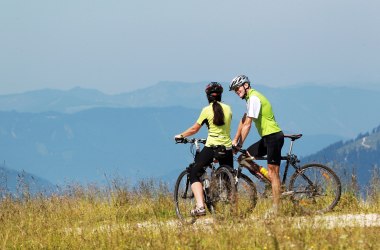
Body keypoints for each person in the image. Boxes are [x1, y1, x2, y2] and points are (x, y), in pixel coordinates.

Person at [174, 82, 233, 216]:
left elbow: (195, 129)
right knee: (227, 177)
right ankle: (230, 207)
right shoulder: (228, 109)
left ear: (208, 96)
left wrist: (181, 135)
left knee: (194, 172)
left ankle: (200, 207)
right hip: (227, 148)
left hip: (212, 147)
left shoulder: (207, 110)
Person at [229, 75, 284, 215]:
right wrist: (235, 140)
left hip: (273, 137)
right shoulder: (249, 99)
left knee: (273, 172)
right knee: (243, 159)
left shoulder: (254, 98)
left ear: (246, 85)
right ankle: (270, 181)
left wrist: (240, 143)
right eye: (234, 90)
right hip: (266, 138)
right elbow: (243, 120)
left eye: (237, 88)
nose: (236, 91)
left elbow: (248, 124)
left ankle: (276, 208)